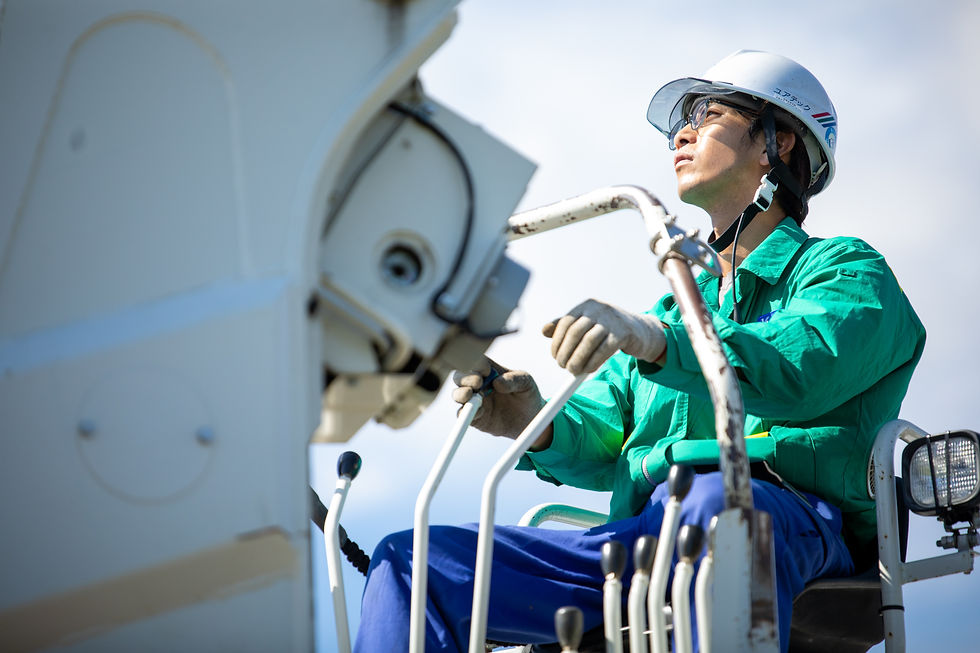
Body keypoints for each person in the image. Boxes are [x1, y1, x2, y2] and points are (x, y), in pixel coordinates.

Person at [354, 50, 926, 652]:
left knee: (717, 505)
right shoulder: (673, 311)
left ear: (776, 143)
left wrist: (655, 342)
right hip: (647, 539)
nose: (681, 131)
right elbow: (603, 437)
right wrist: (531, 423)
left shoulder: (845, 272)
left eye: (706, 113)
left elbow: (800, 370)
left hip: (785, 522)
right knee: (412, 563)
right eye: (683, 118)